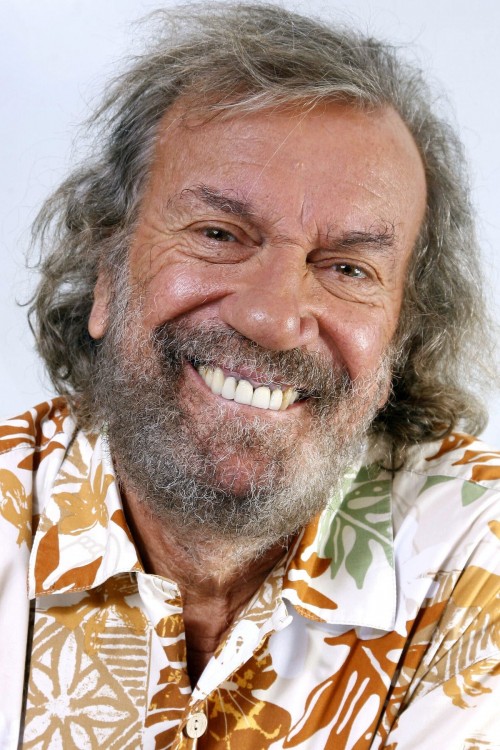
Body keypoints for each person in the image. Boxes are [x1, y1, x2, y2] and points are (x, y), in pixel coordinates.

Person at [1, 2, 499, 748]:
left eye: (347, 268)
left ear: (401, 337)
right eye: (219, 234)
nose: (271, 316)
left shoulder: (477, 551)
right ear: (107, 273)